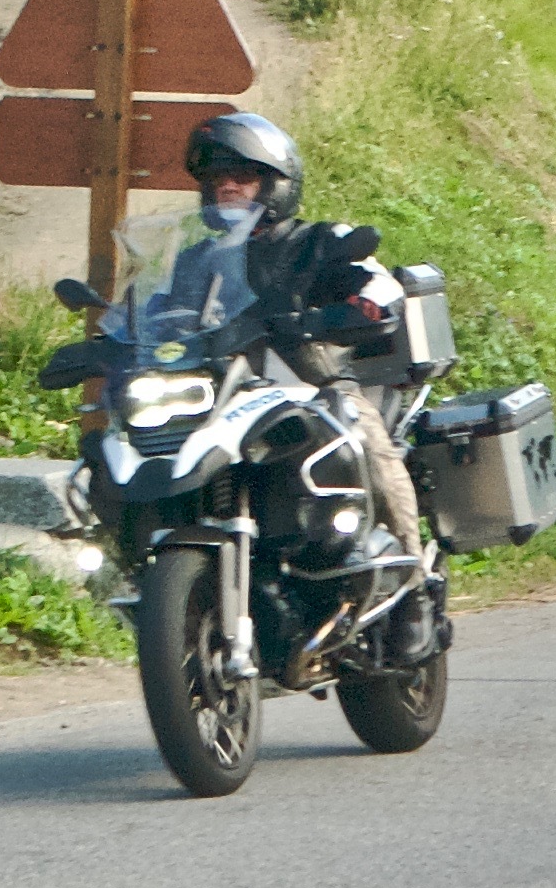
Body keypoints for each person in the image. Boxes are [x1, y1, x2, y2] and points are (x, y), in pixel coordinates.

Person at [179, 113, 440, 659]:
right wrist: (108, 343)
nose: (228, 187)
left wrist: (338, 315)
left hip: (311, 390)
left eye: (243, 176)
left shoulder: (320, 242)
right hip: (221, 401)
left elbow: (380, 289)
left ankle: (413, 588)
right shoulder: (195, 262)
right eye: (218, 178)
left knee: (366, 443)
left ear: (276, 184)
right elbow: (155, 314)